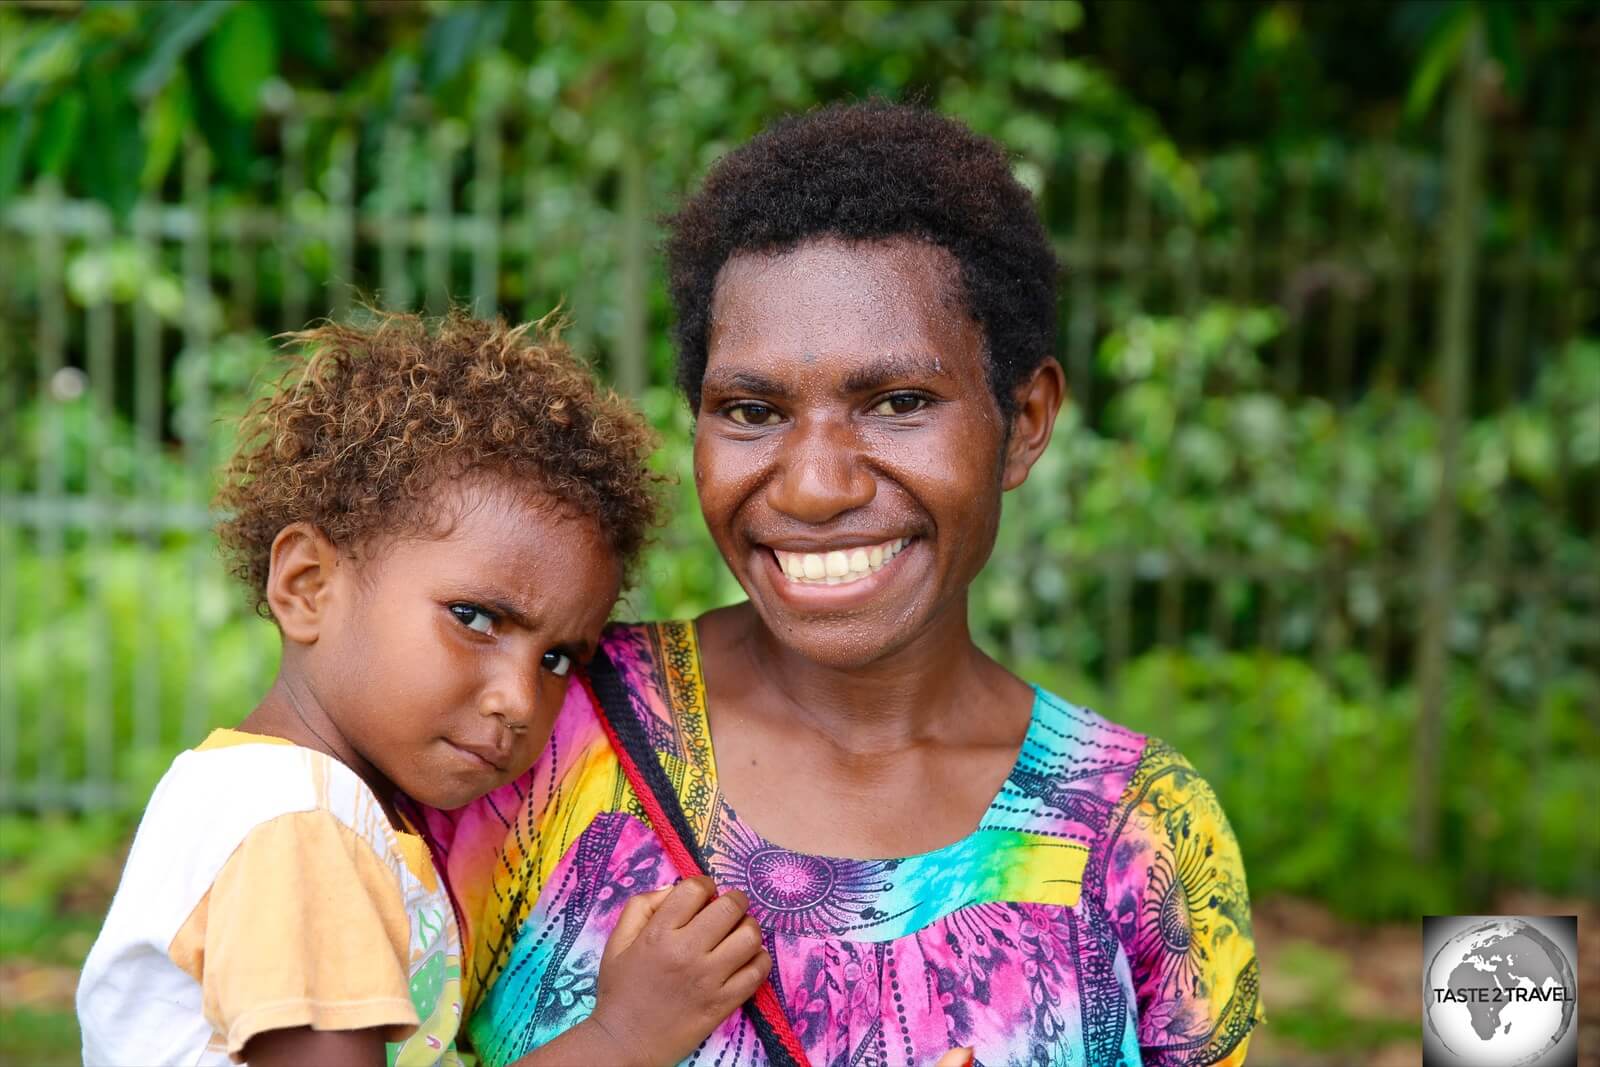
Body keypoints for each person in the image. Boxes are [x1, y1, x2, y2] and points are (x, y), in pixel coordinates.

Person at [420, 102, 1266, 1067]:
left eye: (899, 403)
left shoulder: (1140, 837)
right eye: (751, 409)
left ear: (1024, 420)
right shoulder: (532, 727)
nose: (815, 486)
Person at [76, 312, 776, 1067]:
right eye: (475, 617)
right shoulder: (300, 827)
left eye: (557, 660)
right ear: (308, 585)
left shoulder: (281, 802)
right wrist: (625, 1033)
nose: (517, 699)